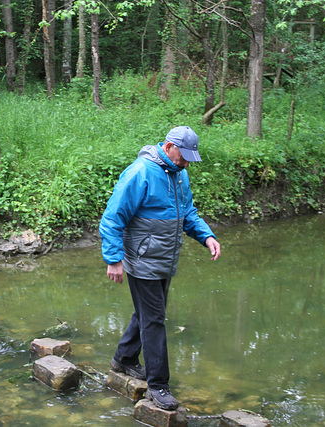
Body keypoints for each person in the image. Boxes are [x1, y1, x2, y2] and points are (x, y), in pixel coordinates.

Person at [99, 126, 221, 410]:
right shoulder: (140, 172)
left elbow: (187, 213)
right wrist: (114, 259)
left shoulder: (179, 175)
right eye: (183, 156)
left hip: (165, 258)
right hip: (141, 260)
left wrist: (207, 236)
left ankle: (124, 359)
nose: (187, 163)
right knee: (154, 320)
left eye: (191, 158)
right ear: (168, 147)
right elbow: (112, 217)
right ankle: (158, 386)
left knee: (148, 313)